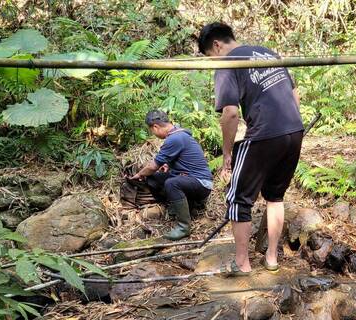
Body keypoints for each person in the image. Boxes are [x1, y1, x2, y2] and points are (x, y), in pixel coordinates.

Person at [199, 22, 304, 275]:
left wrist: (227, 155)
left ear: (216, 45)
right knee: (275, 197)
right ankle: (271, 259)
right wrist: (289, 128)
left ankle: (242, 264)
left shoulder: (228, 63)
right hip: (294, 130)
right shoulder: (267, 52)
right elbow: (295, 94)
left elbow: (231, 113)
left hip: (264, 134)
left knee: (238, 199)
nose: (214, 62)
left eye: (211, 58)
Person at [128, 110, 213, 240]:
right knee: (153, 179)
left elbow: (153, 166)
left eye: (152, 131)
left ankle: (184, 226)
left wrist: (139, 174)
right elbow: (179, 159)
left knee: (171, 183)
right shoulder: (177, 134)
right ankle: (179, 207)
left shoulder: (175, 138)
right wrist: (168, 165)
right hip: (189, 179)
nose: (154, 134)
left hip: (201, 183)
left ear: (155, 127)